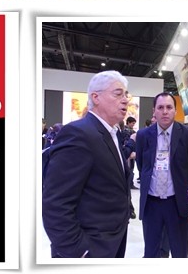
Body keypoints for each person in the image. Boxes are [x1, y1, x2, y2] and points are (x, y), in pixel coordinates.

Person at [42, 70, 132, 258]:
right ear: (95, 97)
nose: (125, 100)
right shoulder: (78, 133)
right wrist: (80, 253)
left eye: (126, 94)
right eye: (118, 94)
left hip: (112, 243)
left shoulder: (111, 133)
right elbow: (56, 204)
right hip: (89, 249)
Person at [136, 92, 188, 258]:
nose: (165, 111)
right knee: (151, 252)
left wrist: (180, 183)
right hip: (152, 203)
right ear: (154, 111)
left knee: (179, 252)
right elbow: (142, 166)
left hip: (177, 203)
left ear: (175, 110)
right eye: (160, 107)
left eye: (169, 107)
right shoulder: (143, 135)